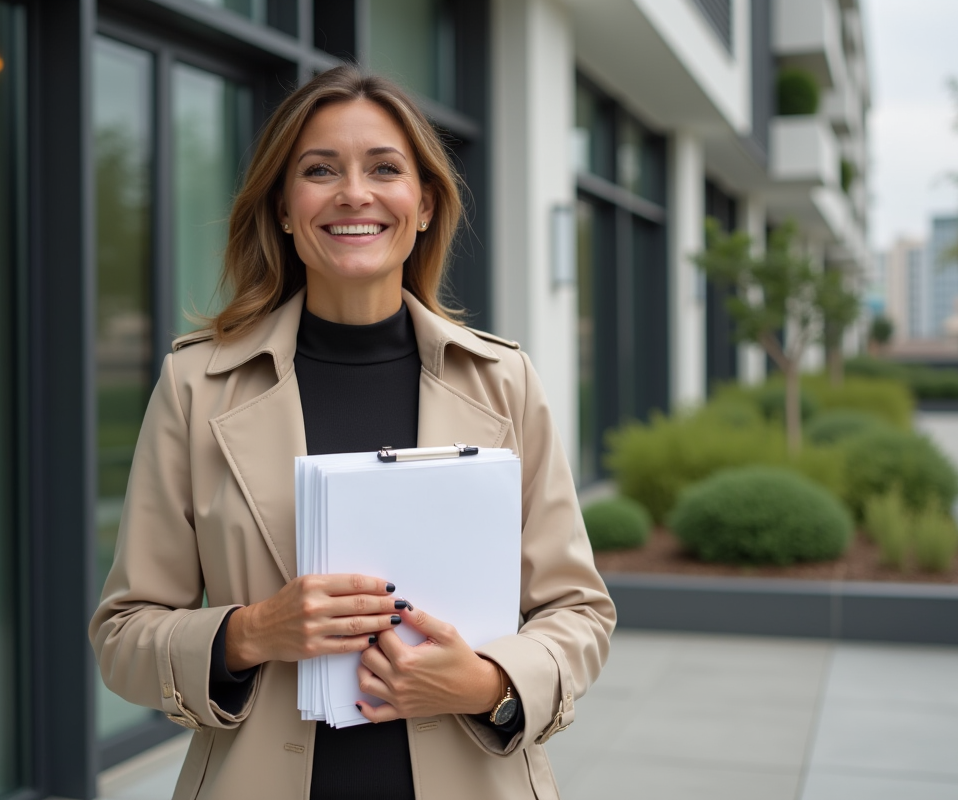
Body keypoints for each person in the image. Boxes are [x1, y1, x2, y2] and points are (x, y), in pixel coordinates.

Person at [89, 64, 615, 800]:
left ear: (424, 205)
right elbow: (123, 634)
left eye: (384, 168)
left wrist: (487, 682)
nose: (354, 193)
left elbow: (577, 610)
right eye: (320, 170)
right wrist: (251, 632)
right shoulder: (195, 387)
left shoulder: (504, 381)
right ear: (283, 208)